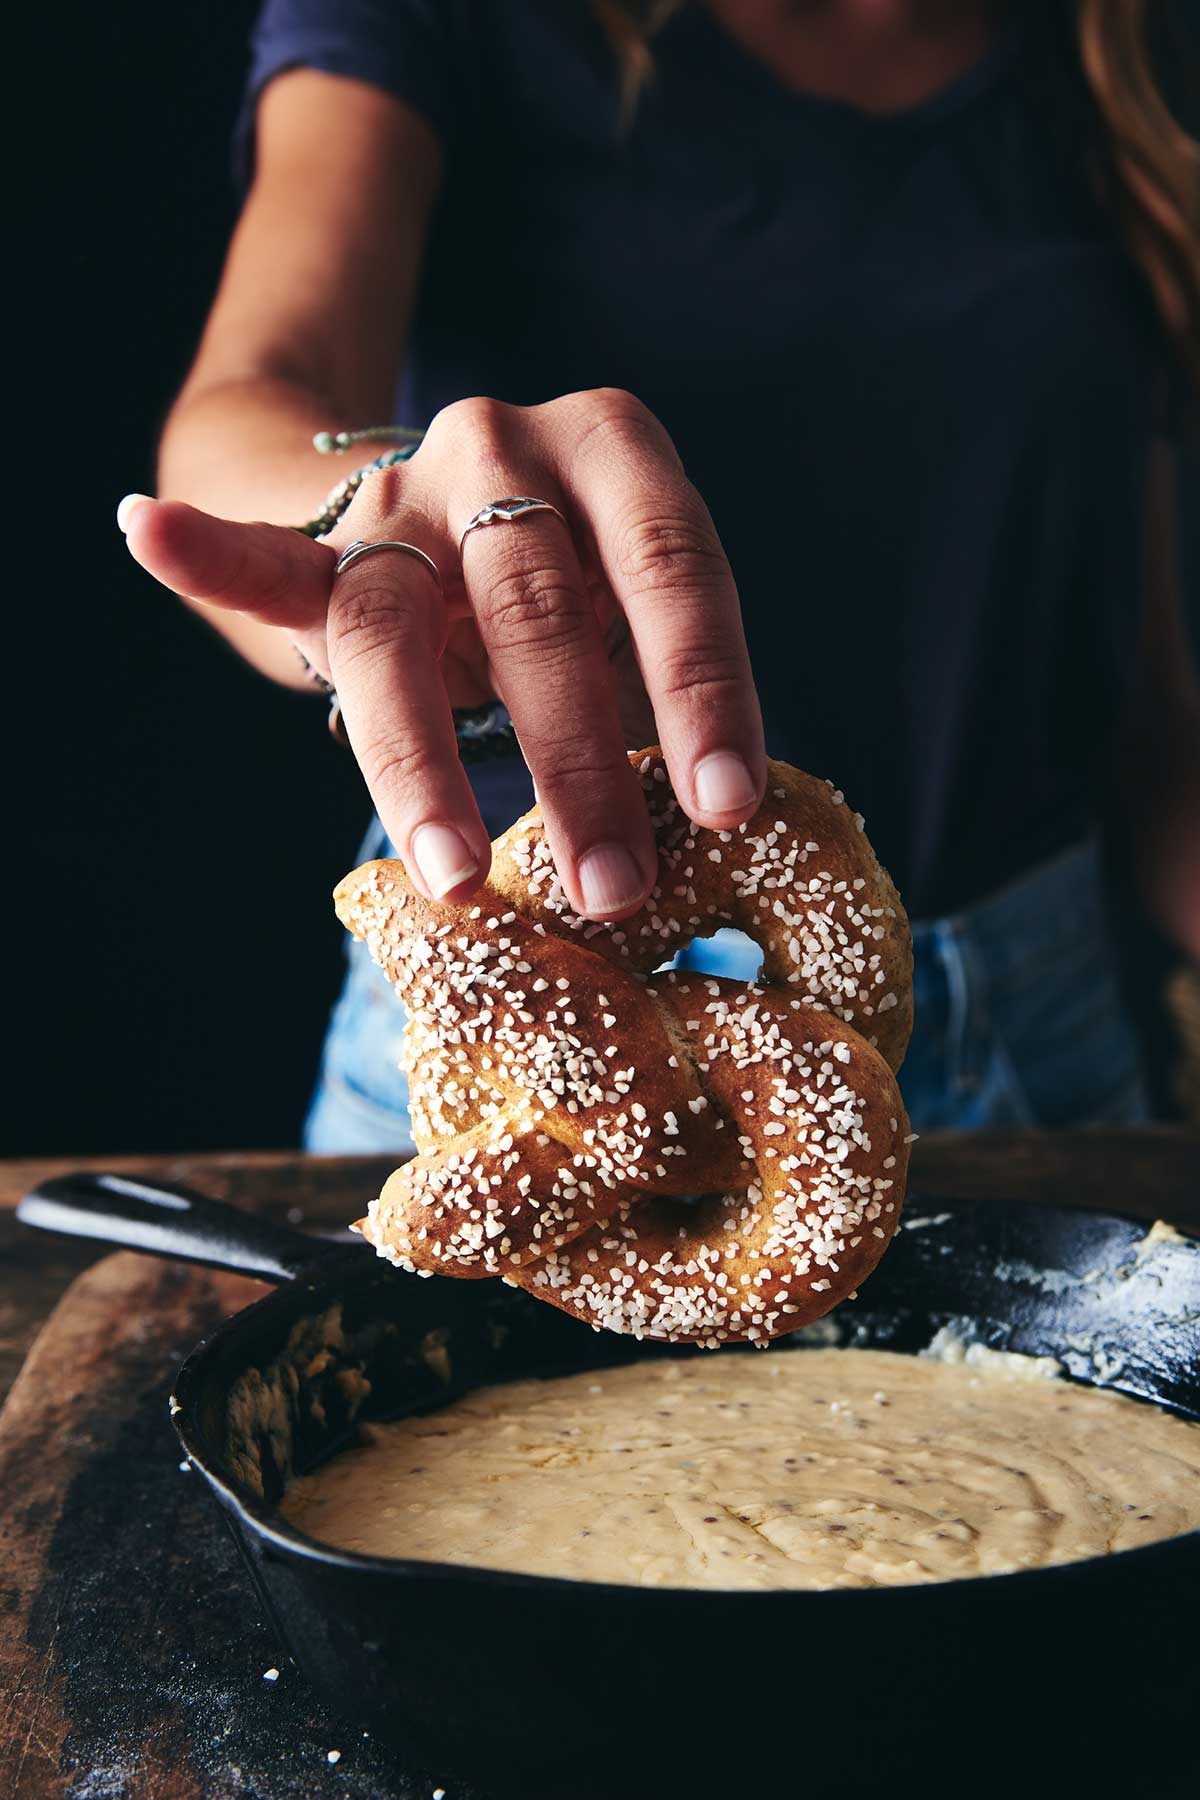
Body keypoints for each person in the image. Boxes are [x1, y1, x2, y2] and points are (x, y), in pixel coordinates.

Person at [118, 0, 1199, 1152]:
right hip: (518, 1040)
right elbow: (249, 405)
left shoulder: (1122, 48)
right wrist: (381, 510)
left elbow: (1138, 701)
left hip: (1045, 1044)